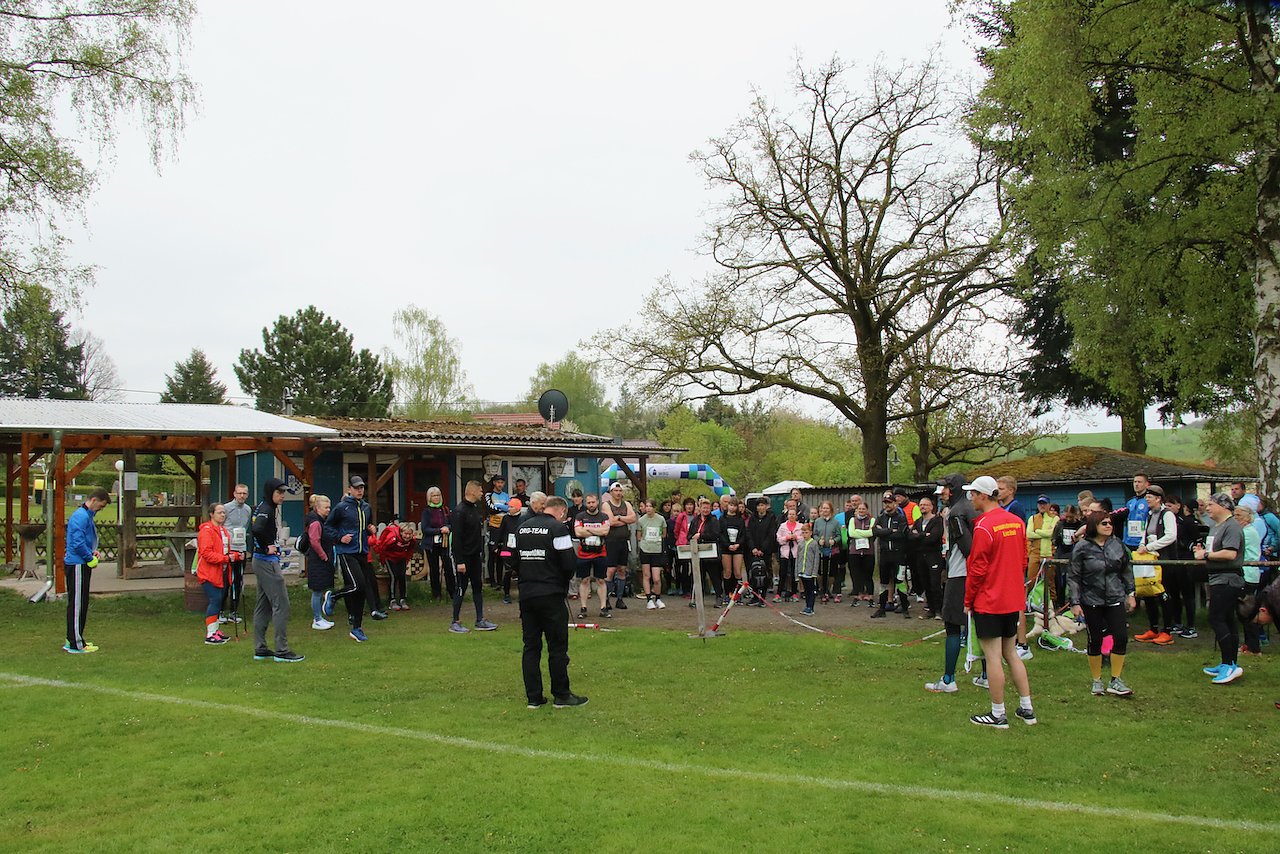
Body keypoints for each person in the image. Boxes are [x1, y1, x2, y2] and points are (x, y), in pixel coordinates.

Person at [963, 475, 1036, 728]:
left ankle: (998, 713)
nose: (971, 499)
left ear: (984, 496)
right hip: (1011, 598)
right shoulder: (1016, 522)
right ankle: (1027, 708)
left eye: (973, 494)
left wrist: (968, 599)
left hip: (990, 599)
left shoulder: (984, 526)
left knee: (993, 656)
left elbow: (977, 568)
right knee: (1011, 653)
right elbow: (1023, 559)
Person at [514, 493, 587, 709]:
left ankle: (534, 697)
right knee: (557, 646)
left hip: (527, 593)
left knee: (531, 646)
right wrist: (560, 581)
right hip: (551, 593)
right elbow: (569, 563)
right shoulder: (558, 528)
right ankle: (561, 695)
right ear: (562, 512)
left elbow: (511, 559)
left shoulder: (522, 527)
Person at [925, 474, 984, 694]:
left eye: (945, 489)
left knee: (951, 625)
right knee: (980, 625)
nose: (942, 493)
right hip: (977, 574)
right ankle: (986, 675)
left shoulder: (957, 512)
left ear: (953, 489)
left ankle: (948, 679)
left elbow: (968, 549)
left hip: (961, 575)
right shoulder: (973, 508)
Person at [1068, 514, 1136, 696]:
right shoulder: (1082, 547)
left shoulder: (1117, 544)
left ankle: (1116, 679)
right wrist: (1075, 602)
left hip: (1115, 597)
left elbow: (1126, 570)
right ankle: (1096, 680)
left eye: (1110, 523)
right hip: (1091, 599)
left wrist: (1131, 593)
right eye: (1103, 523)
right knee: (1095, 639)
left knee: (1121, 637)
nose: (1108, 526)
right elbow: (1074, 576)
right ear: (1093, 526)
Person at [1194, 493, 1246, 684]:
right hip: (1217, 578)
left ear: (1223, 506)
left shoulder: (1232, 526)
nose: (1207, 508)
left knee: (1216, 618)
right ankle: (1227, 662)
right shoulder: (1217, 527)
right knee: (1226, 619)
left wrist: (1206, 554)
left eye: (1211, 504)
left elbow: (1230, 554)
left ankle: (1230, 665)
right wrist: (1202, 552)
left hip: (1228, 579)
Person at [251, 478, 303, 662]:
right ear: (270, 492)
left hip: (259, 561)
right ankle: (282, 650)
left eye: (283, 493)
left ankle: (260, 648)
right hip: (267, 562)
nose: (282, 496)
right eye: (279, 492)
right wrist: (267, 547)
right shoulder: (267, 509)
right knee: (282, 605)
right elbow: (256, 529)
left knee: (263, 604)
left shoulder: (264, 507)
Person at [328, 475, 386, 620]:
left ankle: (357, 623)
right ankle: (334, 596)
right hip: (346, 551)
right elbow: (328, 527)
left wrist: (371, 530)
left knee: (363, 586)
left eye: (361, 488)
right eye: (356, 488)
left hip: (362, 551)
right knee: (356, 585)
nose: (360, 491)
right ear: (350, 489)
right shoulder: (342, 507)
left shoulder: (366, 507)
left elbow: (365, 528)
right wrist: (340, 538)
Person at [63, 487, 110, 654]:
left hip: (80, 562)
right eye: (101, 506)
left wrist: (91, 552)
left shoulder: (86, 516)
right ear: (94, 500)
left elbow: (84, 540)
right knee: (77, 604)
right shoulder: (80, 516)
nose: (100, 509)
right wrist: (89, 558)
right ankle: (76, 644)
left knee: (81, 602)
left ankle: (74, 638)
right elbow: (77, 543)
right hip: (77, 564)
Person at [450, 480, 498, 633]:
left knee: (478, 586)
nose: (482, 493)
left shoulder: (475, 509)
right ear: (472, 491)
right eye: (480, 490)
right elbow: (456, 538)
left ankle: (480, 620)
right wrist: (459, 561)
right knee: (461, 587)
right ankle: (455, 621)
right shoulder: (459, 511)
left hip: (475, 555)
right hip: (464, 557)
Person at [1134, 484, 1178, 646]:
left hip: (1164, 559)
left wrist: (1150, 547)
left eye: (1150, 497)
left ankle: (1167, 630)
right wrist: (1142, 545)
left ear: (1158, 499)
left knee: (1163, 594)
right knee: (1148, 592)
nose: (1147, 500)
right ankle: (1153, 628)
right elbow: (1145, 533)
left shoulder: (1167, 514)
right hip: (1151, 559)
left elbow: (1171, 536)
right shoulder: (1150, 515)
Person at [196, 502, 238, 645]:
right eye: (219, 512)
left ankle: (215, 630)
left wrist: (235, 556)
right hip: (209, 573)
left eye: (224, 512)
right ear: (211, 514)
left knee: (218, 600)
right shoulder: (206, 531)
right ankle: (210, 634)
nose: (222, 515)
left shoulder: (223, 530)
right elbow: (207, 554)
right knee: (215, 600)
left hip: (221, 572)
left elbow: (224, 551)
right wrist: (226, 559)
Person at [1163, 493, 1200, 638]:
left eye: (1170, 505)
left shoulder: (1186, 522)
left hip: (1186, 562)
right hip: (1171, 561)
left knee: (1188, 595)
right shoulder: (1165, 522)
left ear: (1178, 506)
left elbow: (1197, 541)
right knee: (1173, 594)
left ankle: (1191, 626)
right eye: (1166, 505)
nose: (1167, 507)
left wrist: (1190, 546)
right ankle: (1177, 623)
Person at [574, 492, 612, 618]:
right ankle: (583, 608)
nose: (591, 504)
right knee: (584, 580)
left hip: (600, 553)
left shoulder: (604, 516)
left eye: (593, 502)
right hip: (583, 553)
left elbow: (605, 531)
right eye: (589, 502)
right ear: (586, 503)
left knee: (600, 580)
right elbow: (578, 533)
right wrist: (597, 531)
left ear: (597, 502)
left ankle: (603, 608)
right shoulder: (580, 516)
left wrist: (588, 530)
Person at [872, 490, 909, 618]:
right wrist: (890, 531)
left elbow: (901, 534)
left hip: (898, 555)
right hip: (884, 554)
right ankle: (881, 609)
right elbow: (875, 531)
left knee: (900, 581)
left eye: (889, 502)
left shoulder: (901, 518)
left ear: (895, 504)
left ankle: (905, 608)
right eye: (885, 503)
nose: (887, 505)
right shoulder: (881, 517)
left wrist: (884, 532)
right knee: (883, 582)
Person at [1234, 504, 1264, 656]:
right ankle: (1248, 644)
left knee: (1247, 612)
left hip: (1248, 574)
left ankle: (1254, 647)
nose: (1235, 518)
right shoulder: (1245, 531)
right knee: (1242, 613)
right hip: (1245, 573)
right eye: (1235, 515)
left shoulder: (1247, 532)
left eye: (1238, 515)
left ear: (1247, 518)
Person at [602, 482, 637, 610]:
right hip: (611, 540)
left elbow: (633, 518)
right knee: (610, 570)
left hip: (623, 541)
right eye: (615, 491)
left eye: (620, 491)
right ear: (611, 492)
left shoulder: (626, 504)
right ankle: (606, 599)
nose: (618, 493)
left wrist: (619, 517)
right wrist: (624, 519)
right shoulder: (606, 505)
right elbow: (610, 521)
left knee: (622, 569)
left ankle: (620, 599)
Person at [302, 494, 335, 631]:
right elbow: (314, 541)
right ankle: (317, 619)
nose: (328, 510)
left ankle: (320, 617)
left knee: (320, 590)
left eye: (329, 507)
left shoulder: (319, 521)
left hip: (320, 560)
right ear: (318, 508)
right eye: (326, 507)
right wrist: (324, 556)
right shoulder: (315, 523)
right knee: (317, 591)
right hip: (317, 561)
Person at [221, 483, 252, 625]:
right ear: (234, 494)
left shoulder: (247, 509)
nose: (242, 496)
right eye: (239, 493)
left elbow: (245, 528)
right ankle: (221, 611)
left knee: (238, 580)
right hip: (228, 548)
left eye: (244, 493)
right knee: (226, 580)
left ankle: (233, 611)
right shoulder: (226, 508)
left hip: (241, 548)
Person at [909, 495, 945, 619]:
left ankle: (939, 610)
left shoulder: (937, 520)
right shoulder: (918, 521)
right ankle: (931, 609)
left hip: (933, 555)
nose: (923, 507)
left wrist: (918, 535)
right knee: (925, 582)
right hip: (920, 556)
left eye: (925, 505)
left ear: (931, 507)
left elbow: (934, 537)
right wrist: (924, 535)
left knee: (935, 583)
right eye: (921, 505)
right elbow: (910, 537)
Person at [419, 486, 455, 602]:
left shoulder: (445, 510)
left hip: (444, 542)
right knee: (434, 569)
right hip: (431, 543)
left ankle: (452, 592)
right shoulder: (427, 511)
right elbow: (425, 529)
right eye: (434, 496)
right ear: (429, 497)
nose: (436, 497)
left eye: (438, 495)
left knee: (448, 566)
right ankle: (436, 594)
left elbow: (451, 524)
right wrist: (439, 530)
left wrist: (447, 528)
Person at [375, 515, 417, 611]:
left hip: (401, 558)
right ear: (401, 533)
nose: (407, 536)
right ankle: (392, 600)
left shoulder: (412, 540)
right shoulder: (392, 538)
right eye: (405, 534)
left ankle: (403, 599)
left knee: (402, 576)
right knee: (394, 576)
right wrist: (382, 561)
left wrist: (407, 559)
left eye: (409, 534)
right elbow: (382, 548)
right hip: (390, 557)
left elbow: (410, 550)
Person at [636, 498, 668, 610]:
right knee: (646, 575)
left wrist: (656, 539)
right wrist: (644, 542)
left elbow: (664, 534)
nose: (648, 508)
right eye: (647, 506)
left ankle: (658, 598)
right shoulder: (641, 520)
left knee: (656, 578)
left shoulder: (661, 519)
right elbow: (639, 536)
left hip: (657, 550)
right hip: (645, 550)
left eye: (650, 506)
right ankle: (649, 599)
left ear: (654, 508)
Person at [689, 497, 722, 604]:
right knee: (699, 576)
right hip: (697, 552)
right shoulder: (695, 520)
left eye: (707, 508)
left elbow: (715, 534)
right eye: (704, 508)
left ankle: (719, 597)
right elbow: (689, 534)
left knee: (714, 576)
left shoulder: (714, 520)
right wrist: (693, 537)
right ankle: (698, 599)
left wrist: (701, 536)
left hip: (710, 552)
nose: (705, 510)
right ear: (700, 508)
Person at [718, 495, 749, 605]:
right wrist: (727, 545)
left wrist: (738, 544)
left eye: (734, 506)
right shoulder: (722, 519)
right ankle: (727, 594)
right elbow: (720, 534)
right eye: (731, 505)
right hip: (726, 548)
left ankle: (737, 595)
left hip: (738, 548)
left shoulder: (740, 520)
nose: (732, 507)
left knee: (737, 572)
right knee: (727, 572)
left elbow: (743, 534)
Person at [746, 497, 779, 604]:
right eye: (759, 505)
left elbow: (771, 535)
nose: (760, 507)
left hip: (766, 551)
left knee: (765, 573)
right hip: (753, 551)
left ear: (766, 506)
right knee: (753, 572)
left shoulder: (771, 518)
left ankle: (763, 596)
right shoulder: (752, 518)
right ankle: (755, 596)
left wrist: (762, 549)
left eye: (762, 505)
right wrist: (753, 548)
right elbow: (749, 533)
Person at [846, 500, 876, 606]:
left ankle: (870, 594)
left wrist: (858, 532)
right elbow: (851, 533)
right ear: (857, 510)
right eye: (860, 509)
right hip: (855, 551)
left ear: (867, 510)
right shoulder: (852, 520)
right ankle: (857, 594)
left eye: (863, 509)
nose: (861, 510)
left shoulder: (872, 520)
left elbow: (872, 532)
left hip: (868, 552)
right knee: (856, 574)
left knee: (868, 574)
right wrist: (864, 533)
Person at [811, 501, 841, 603]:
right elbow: (814, 534)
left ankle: (828, 589)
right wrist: (818, 540)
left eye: (827, 508)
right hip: (820, 550)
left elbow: (839, 535)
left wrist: (834, 541)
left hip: (832, 550)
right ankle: (821, 589)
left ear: (831, 510)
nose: (825, 510)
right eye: (823, 508)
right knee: (820, 570)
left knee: (831, 571)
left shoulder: (835, 522)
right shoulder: (817, 521)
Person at [484, 474, 511, 588]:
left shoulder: (506, 495)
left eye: (502, 483)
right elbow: (490, 509)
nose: (500, 484)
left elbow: (510, 508)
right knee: (492, 554)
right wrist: (503, 507)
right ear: (494, 483)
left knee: (501, 554)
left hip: (503, 528)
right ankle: (492, 581)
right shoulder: (489, 495)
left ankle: (500, 581)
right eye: (498, 482)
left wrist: (500, 506)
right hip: (493, 527)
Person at [497, 498, 525, 605]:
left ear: (517, 508)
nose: (509, 508)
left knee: (521, 572)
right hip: (506, 548)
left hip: (518, 549)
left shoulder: (522, 518)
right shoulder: (505, 518)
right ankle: (506, 594)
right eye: (509, 506)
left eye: (511, 507)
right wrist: (496, 545)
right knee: (507, 571)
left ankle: (522, 594)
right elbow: (501, 531)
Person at [775, 506, 802, 603]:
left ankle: (794, 593)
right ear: (787, 515)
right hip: (785, 552)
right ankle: (778, 593)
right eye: (790, 514)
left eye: (793, 514)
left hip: (795, 552)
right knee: (783, 573)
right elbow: (778, 538)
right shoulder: (782, 526)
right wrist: (786, 537)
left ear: (796, 516)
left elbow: (803, 539)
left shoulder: (800, 526)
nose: (791, 516)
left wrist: (796, 537)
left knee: (794, 574)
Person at [796, 523, 820, 615]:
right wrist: (797, 572)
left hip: (810, 572)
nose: (804, 534)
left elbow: (816, 559)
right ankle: (807, 606)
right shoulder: (800, 544)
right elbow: (798, 558)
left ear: (810, 533)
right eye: (803, 533)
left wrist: (814, 572)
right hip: (802, 571)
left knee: (811, 590)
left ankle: (810, 607)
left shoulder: (814, 543)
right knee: (806, 590)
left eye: (806, 532)